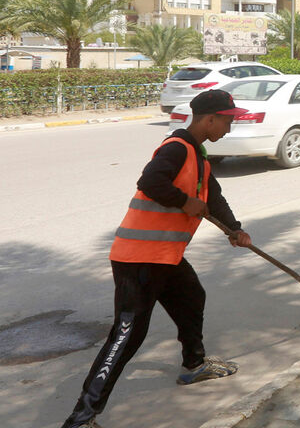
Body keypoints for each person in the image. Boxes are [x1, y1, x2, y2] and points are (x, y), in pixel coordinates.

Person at [61, 89, 253, 428]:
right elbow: (150, 181)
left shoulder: (200, 158)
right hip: (139, 259)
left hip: (165, 255)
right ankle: (82, 417)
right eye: (227, 121)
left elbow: (215, 199)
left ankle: (194, 366)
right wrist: (182, 201)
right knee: (127, 334)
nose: (229, 128)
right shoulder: (177, 147)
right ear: (209, 119)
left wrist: (234, 230)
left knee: (192, 297)